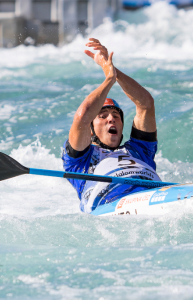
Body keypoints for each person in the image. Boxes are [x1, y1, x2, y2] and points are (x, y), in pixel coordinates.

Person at [62, 38, 161, 213]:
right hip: (108, 205)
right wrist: (109, 78)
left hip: (152, 197)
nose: (111, 119)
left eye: (116, 115)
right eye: (102, 116)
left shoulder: (140, 151)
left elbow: (145, 104)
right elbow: (82, 117)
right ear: (90, 129)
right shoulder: (80, 161)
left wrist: (114, 71)